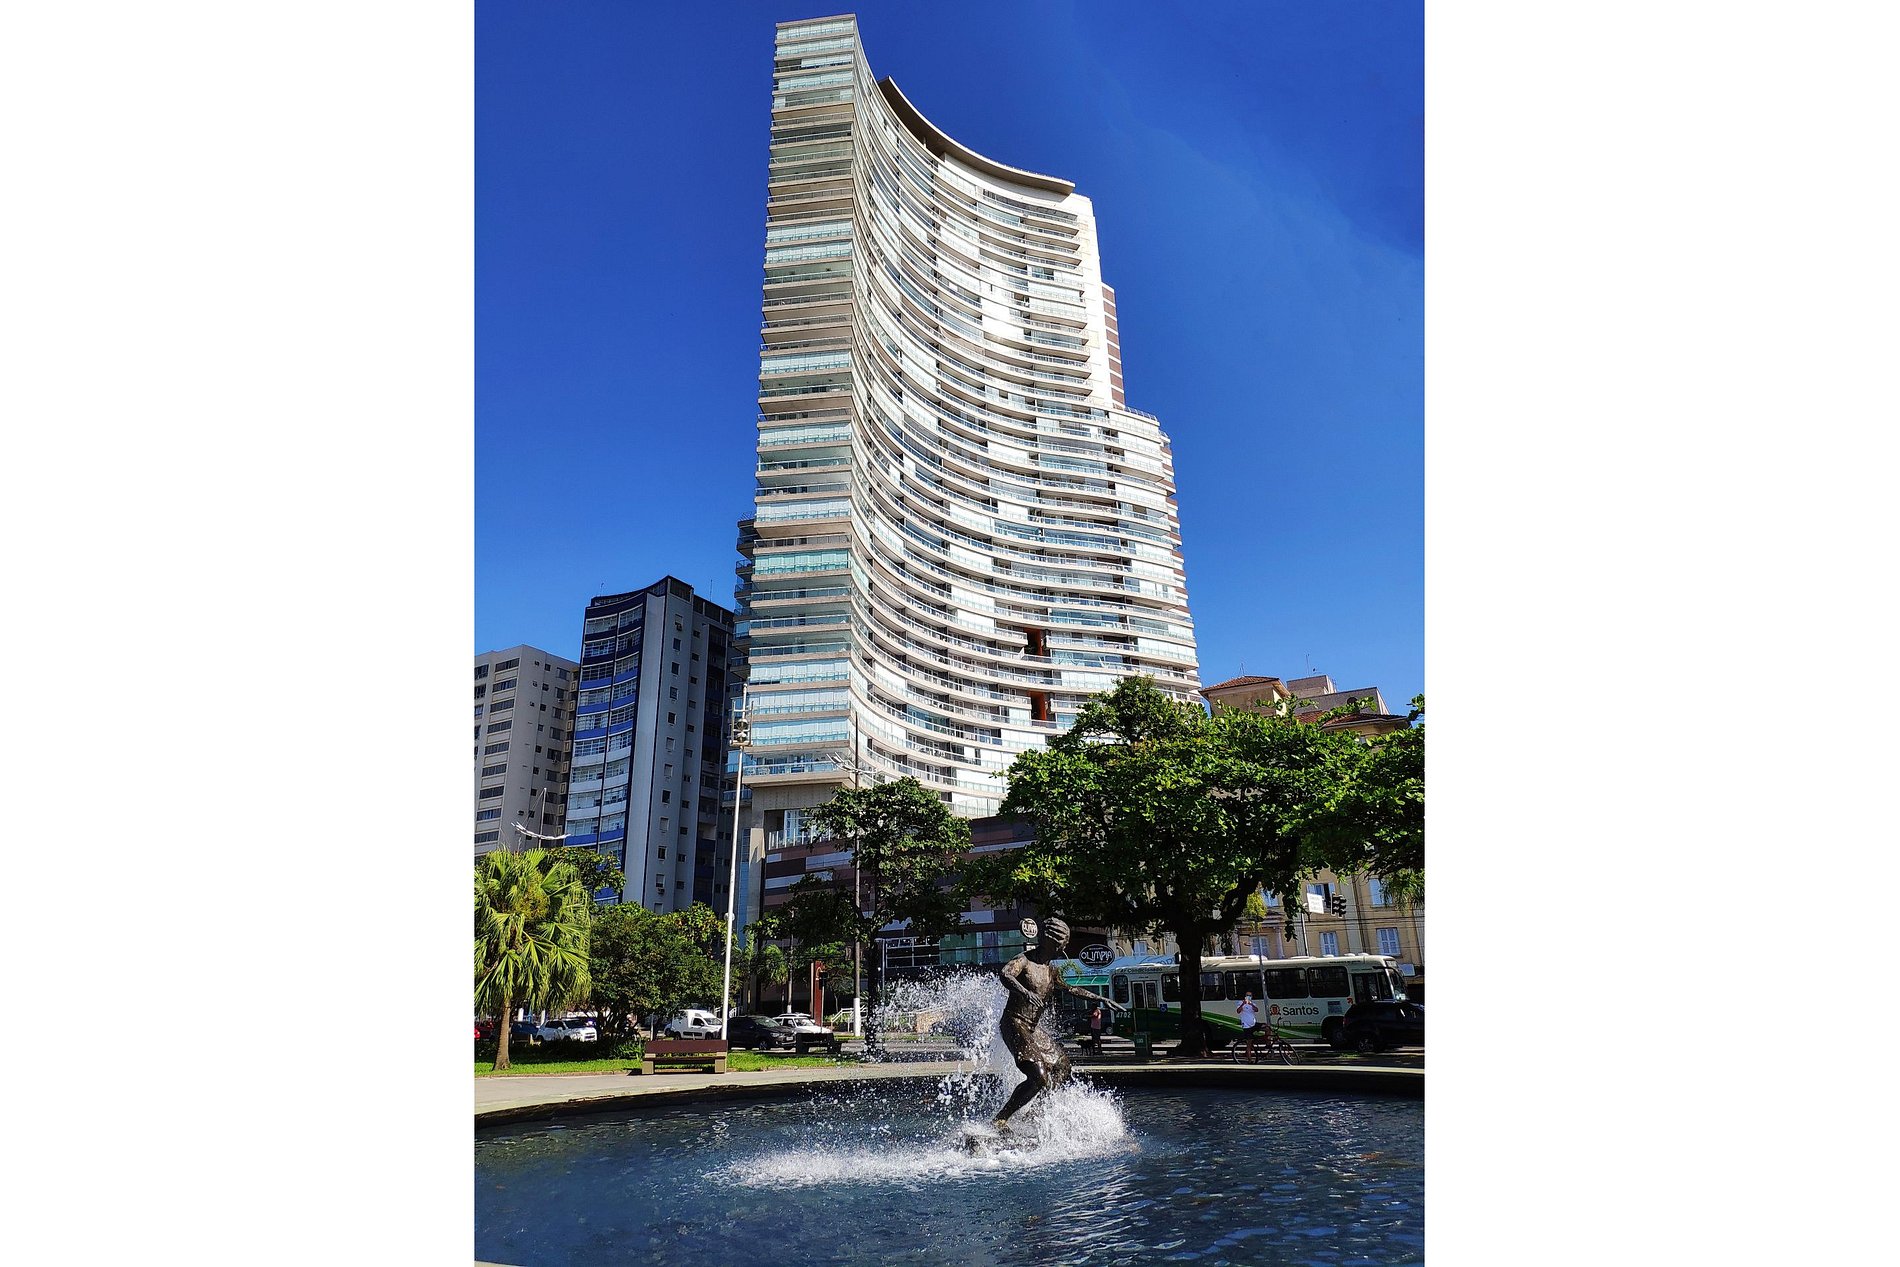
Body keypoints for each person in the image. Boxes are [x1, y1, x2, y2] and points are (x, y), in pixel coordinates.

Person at [993, 916, 1121, 1129]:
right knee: (1038, 1077)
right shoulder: (1024, 961)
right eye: (1063, 942)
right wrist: (1025, 992)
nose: (1064, 947)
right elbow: (1005, 974)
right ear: (1051, 941)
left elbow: (1071, 989)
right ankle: (1000, 1119)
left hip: (1032, 1028)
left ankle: (1036, 1113)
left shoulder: (1051, 970)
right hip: (1014, 1023)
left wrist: (1099, 998)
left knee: (1062, 1066)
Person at [1236, 992, 1261, 1063]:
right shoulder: (1240, 1002)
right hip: (1246, 1026)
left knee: (1267, 1027)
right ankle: (1250, 1060)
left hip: (1254, 1024)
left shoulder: (1253, 1004)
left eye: (1250, 995)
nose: (1249, 996)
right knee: (1249, 1043)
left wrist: (1251, 1004)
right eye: (1247, 995)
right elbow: (1238, 1011)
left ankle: (1268, 1045)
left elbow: (1256, 1010)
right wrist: (1243, 1004)